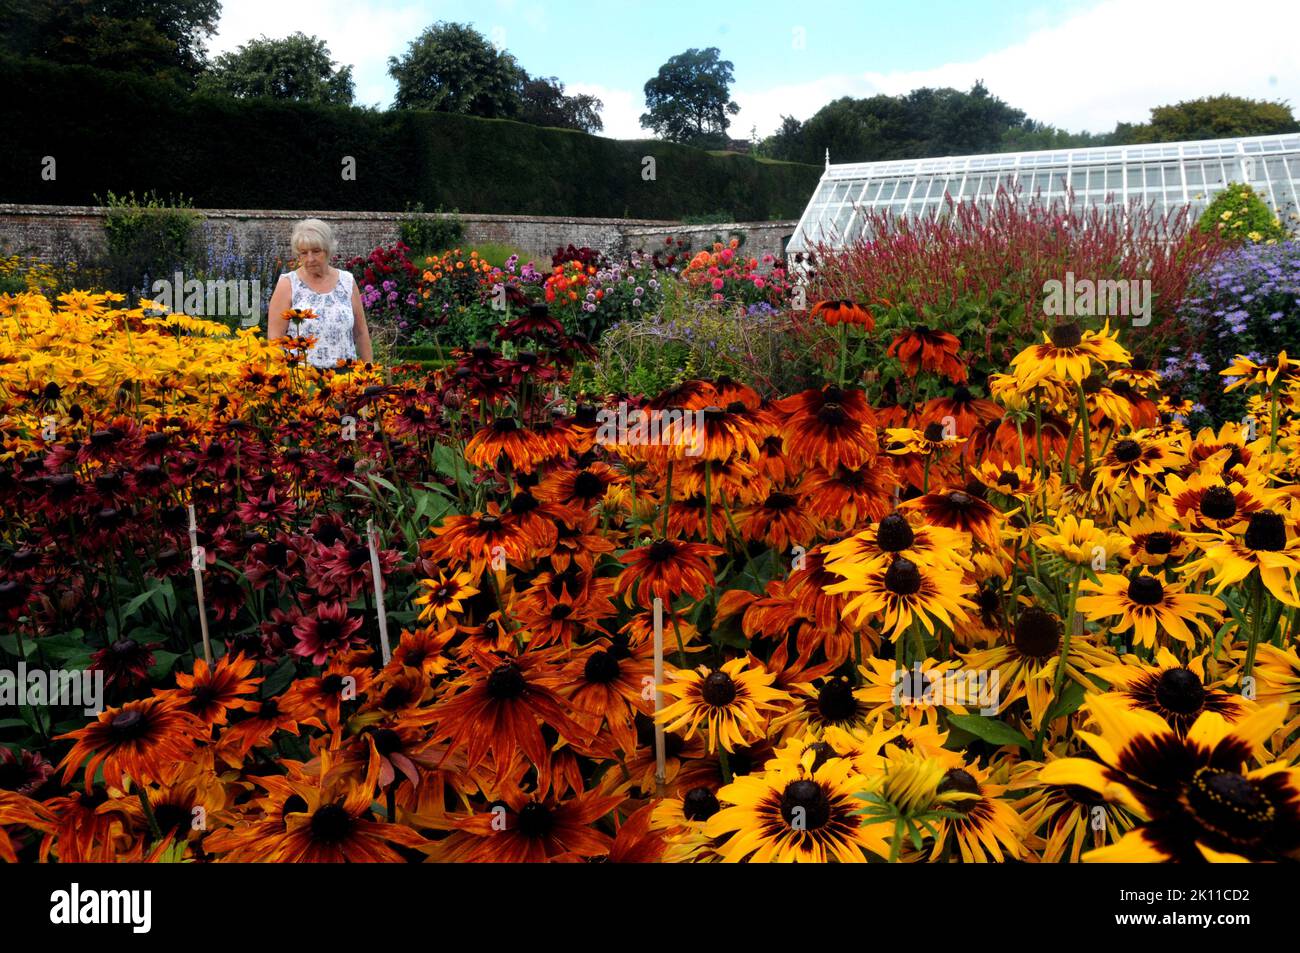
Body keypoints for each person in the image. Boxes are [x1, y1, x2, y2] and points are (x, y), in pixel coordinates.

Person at [266, 218, 373, 367]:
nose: (310, 259)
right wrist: (282, 378)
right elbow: (275, 339)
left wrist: (369, 372)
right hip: (303, 380)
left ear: (328, 250)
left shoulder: (347, 282)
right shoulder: (288, 284)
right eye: (303, 253)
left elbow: (361, 333)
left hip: (345, 379)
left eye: (316, 251)